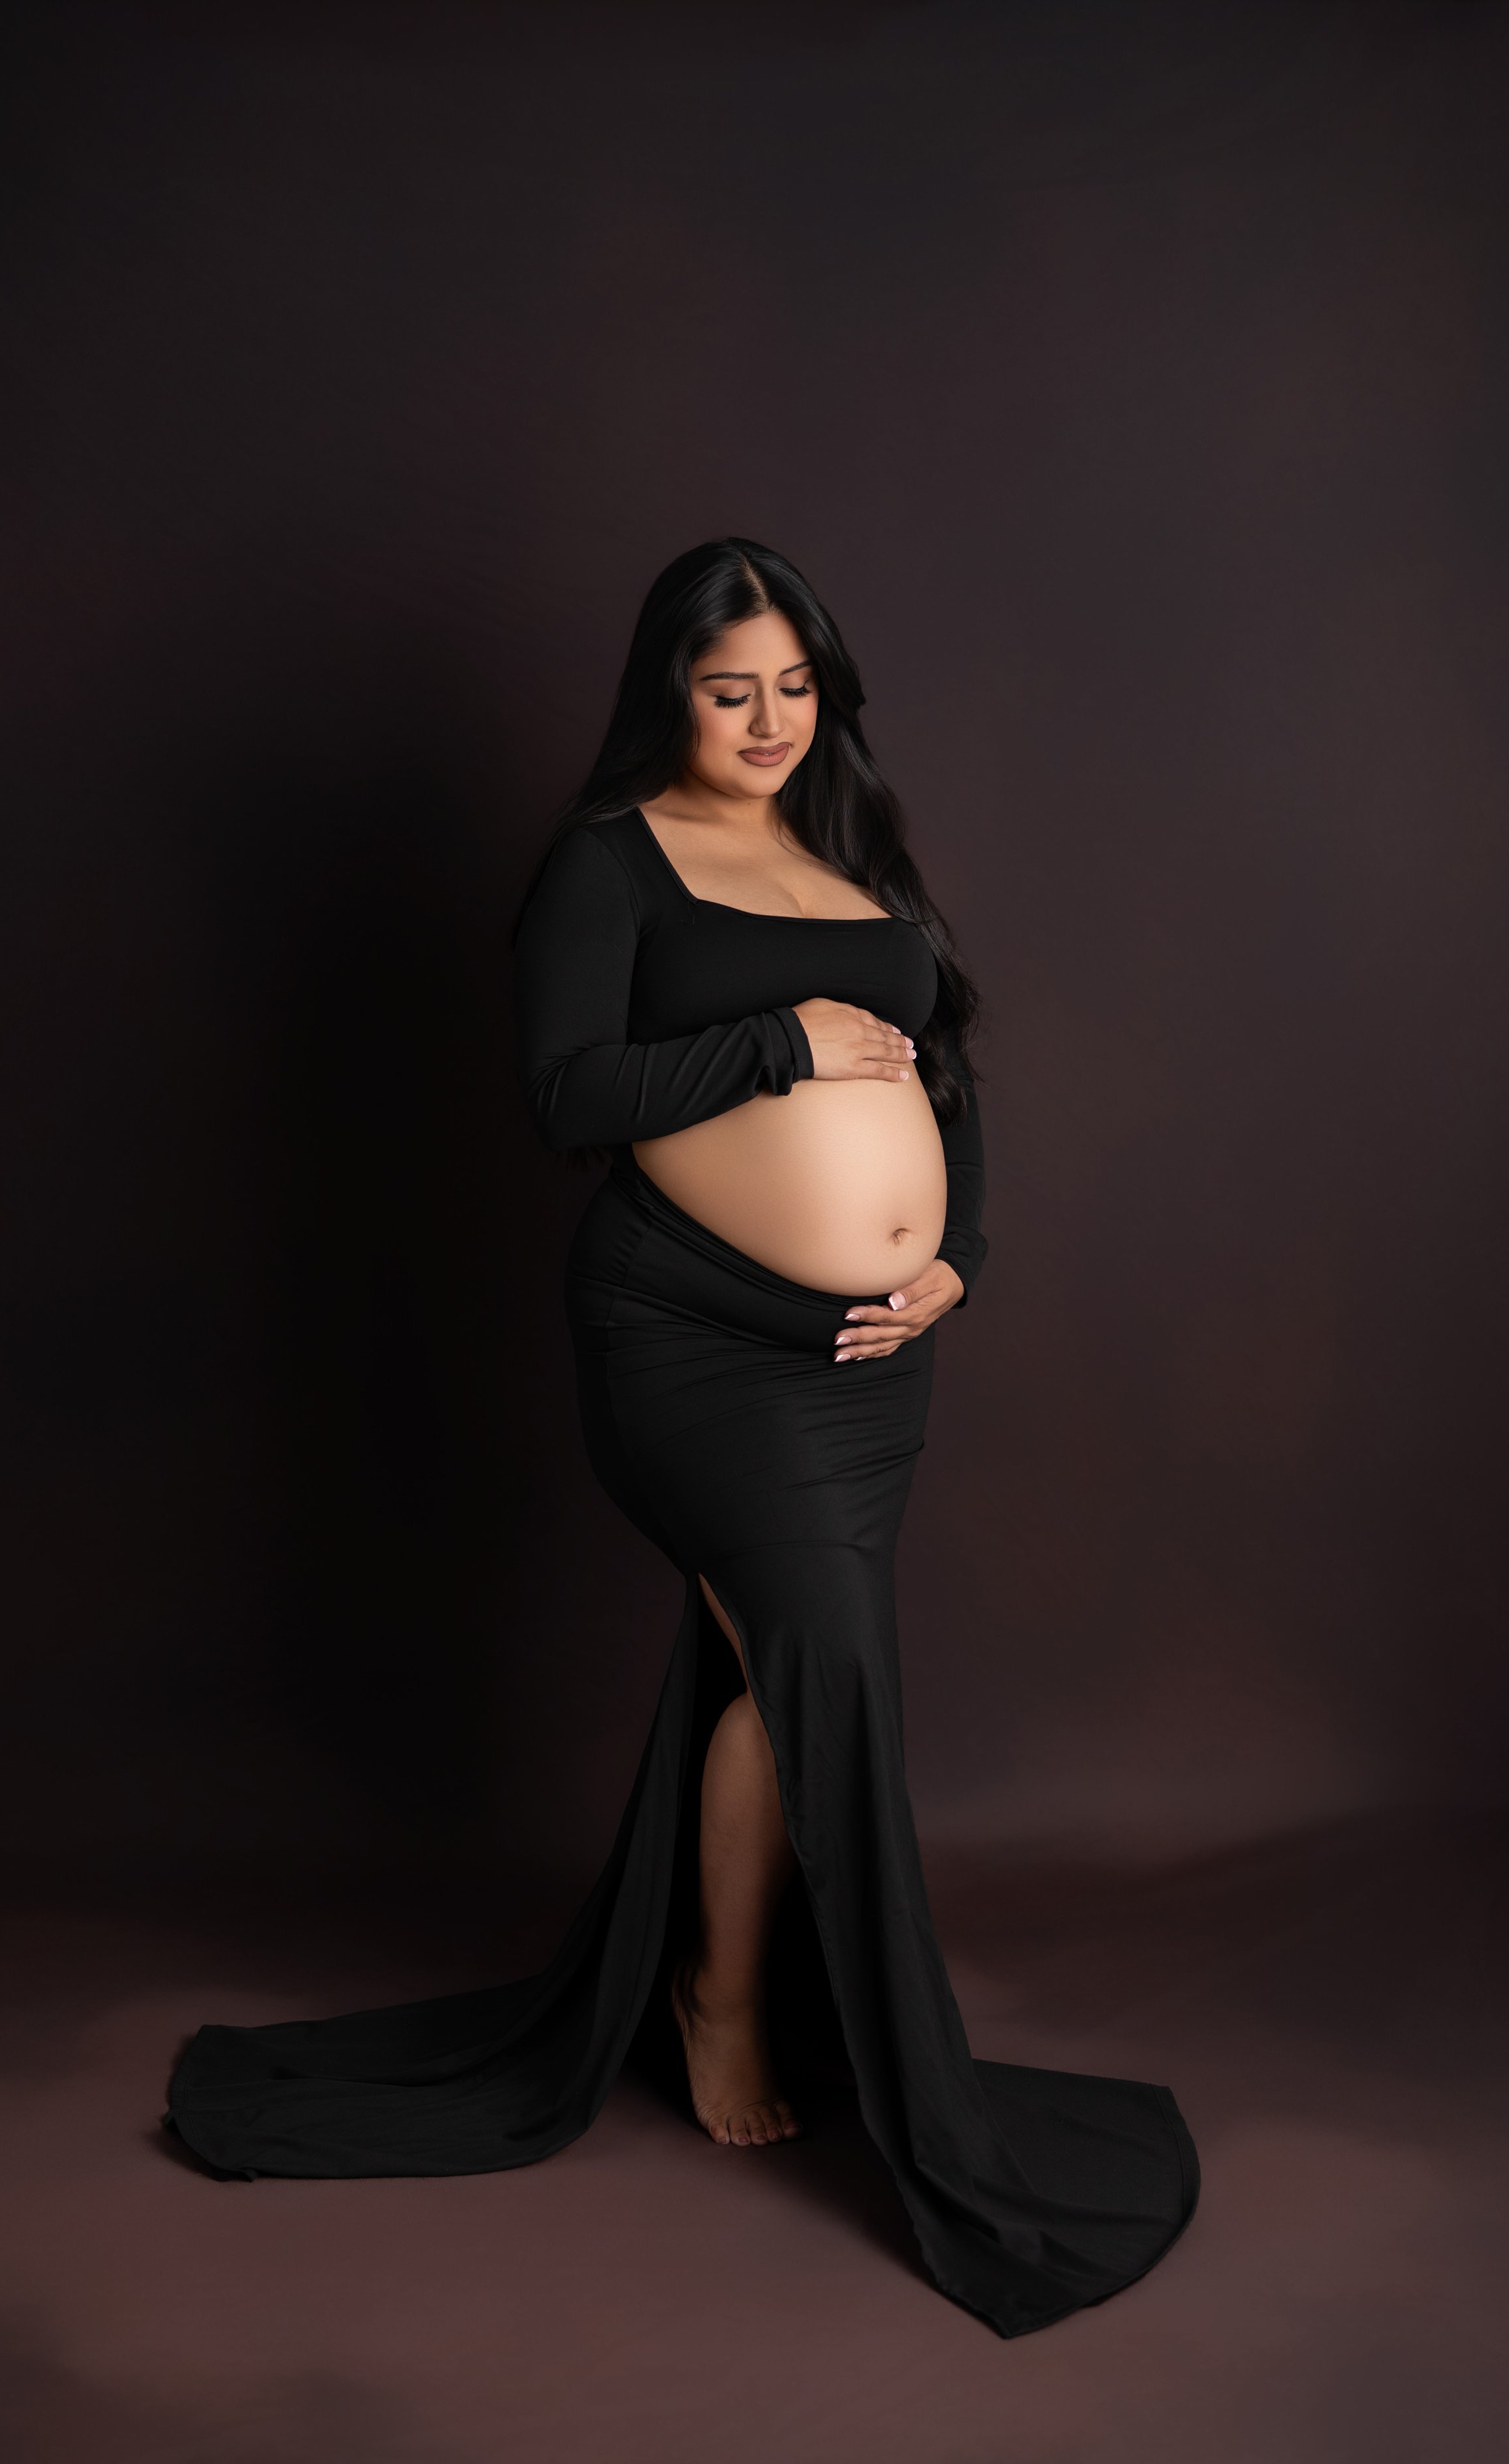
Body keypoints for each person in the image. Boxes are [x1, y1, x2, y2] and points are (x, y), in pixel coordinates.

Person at [166, 539, 1197, 2336]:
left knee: (764, 1685)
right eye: (733, 691)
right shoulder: (608, 861)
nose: (771, 722)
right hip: (692, 1343)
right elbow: (567, 1091)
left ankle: (713, 1986)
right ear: (668, 690)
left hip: (871, 1361)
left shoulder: (841, 852)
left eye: (796, 686)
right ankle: (822, 2053)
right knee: (828, 1674)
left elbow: (950, 1073)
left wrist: (953, 1261)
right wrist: (776, 1045)